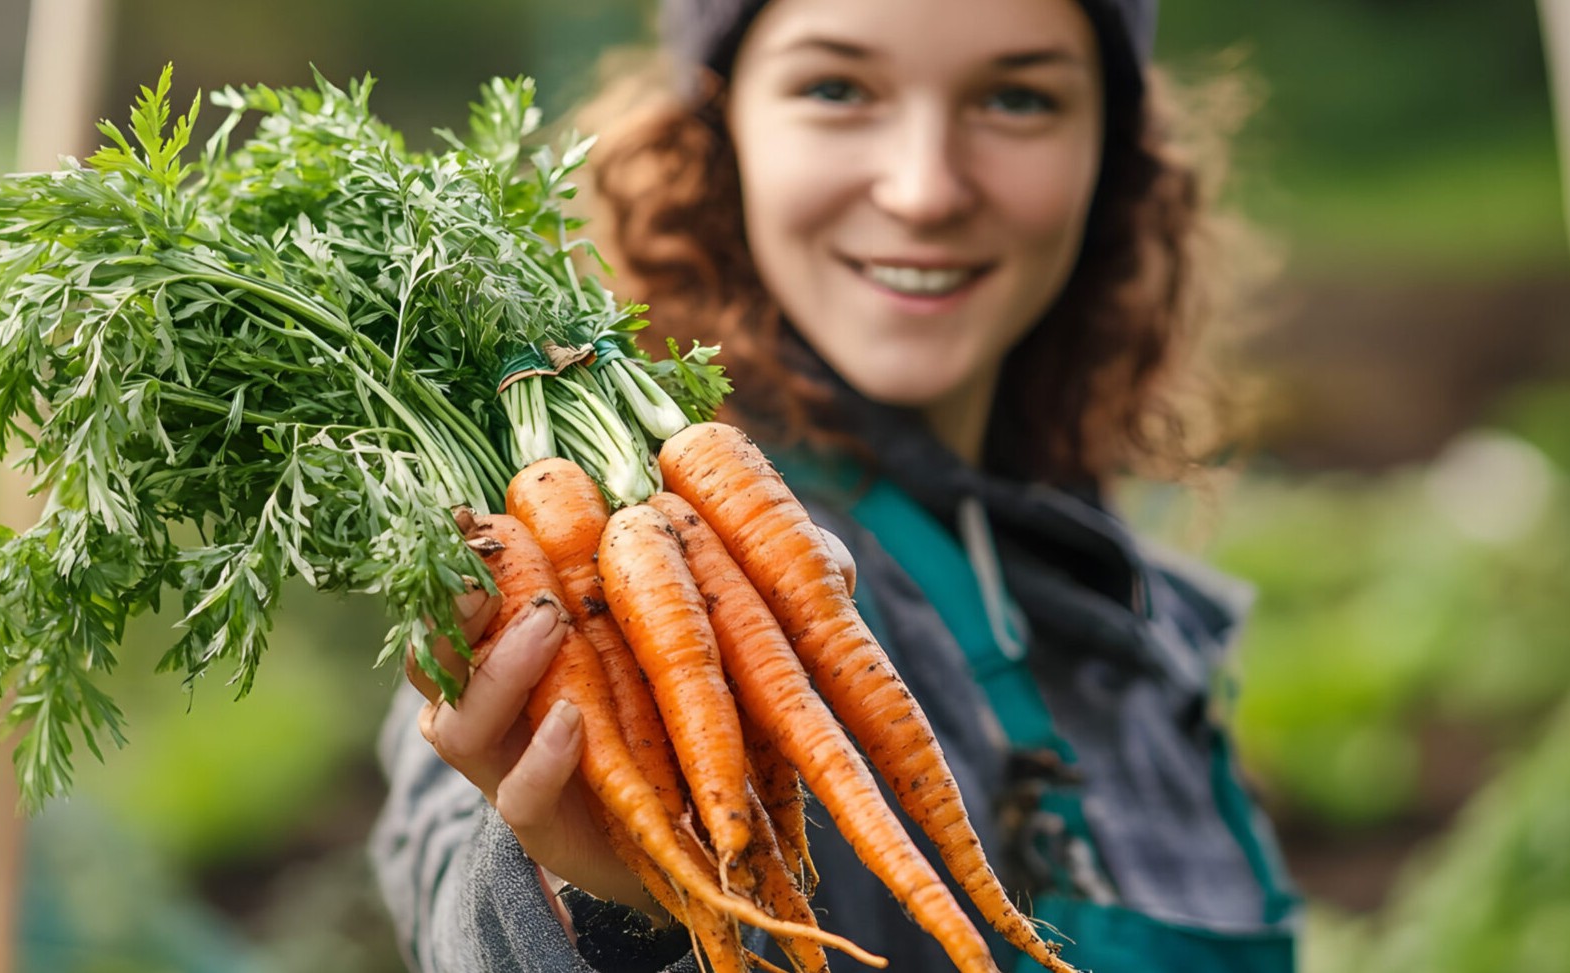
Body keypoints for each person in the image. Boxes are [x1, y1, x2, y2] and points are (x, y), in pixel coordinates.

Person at [369, 0, 1301, 969]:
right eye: (835, 88)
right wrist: (611, 904)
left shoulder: (1116, 592)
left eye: (1018, 98)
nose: (924, 188)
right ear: (716, 132)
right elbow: (453, 880)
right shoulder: (585, 579)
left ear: (1110, 145)